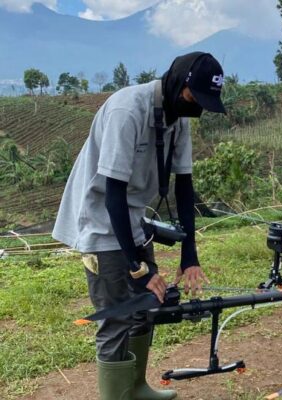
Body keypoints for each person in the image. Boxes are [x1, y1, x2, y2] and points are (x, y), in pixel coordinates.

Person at [52, 52, 226, 400]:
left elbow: (185, 184)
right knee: (117, 317)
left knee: (147, 305)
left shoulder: (178, 117)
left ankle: (136, 388)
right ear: (178, 82)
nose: (198, 108)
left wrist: (189, 254)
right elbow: (112, 192)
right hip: (102, 221)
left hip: (133, 219)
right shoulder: (127, 110)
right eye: (195, 98)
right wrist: (136, 266)